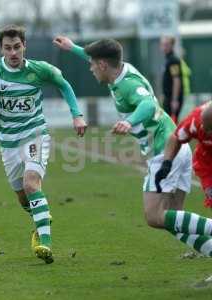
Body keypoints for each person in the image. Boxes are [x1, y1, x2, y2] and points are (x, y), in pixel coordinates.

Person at [52, 36, 212, 257]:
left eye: (92, 64)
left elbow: (147, 104)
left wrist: (129, 121)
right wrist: (73, 48)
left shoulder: (127, 85)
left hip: (165, 150)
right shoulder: (119, 71)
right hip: (176, 147)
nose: (90, 68)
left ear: (102, 65)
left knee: (154, 216)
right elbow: (97, 58)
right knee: (173, 218)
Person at [0, 25, 87, 264]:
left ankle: (45, 242)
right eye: (7, 48)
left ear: (24, 46)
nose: (13, 53)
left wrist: (77, 115)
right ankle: (41, 218)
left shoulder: (40, 69)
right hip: (7, 142)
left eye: (17, 47)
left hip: (35, 134)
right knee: (24, 199)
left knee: (31, 184)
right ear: (1, 49)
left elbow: (64, 84)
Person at [154, 102, 212, 256]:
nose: (205, 131)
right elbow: (175, 138)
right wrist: (166, 163)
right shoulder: (195, 121)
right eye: (204, 127)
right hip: (207, 166)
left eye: (210, 129)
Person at [160, 36, 184, 124]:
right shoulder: (167, 59)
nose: (164, 47)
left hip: (172, 98)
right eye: (163, 44)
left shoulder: (173, 60)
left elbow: (176, 80)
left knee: (170, 124)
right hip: (167, 97)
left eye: (167, 44)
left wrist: (175, 100)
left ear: (172, 45)